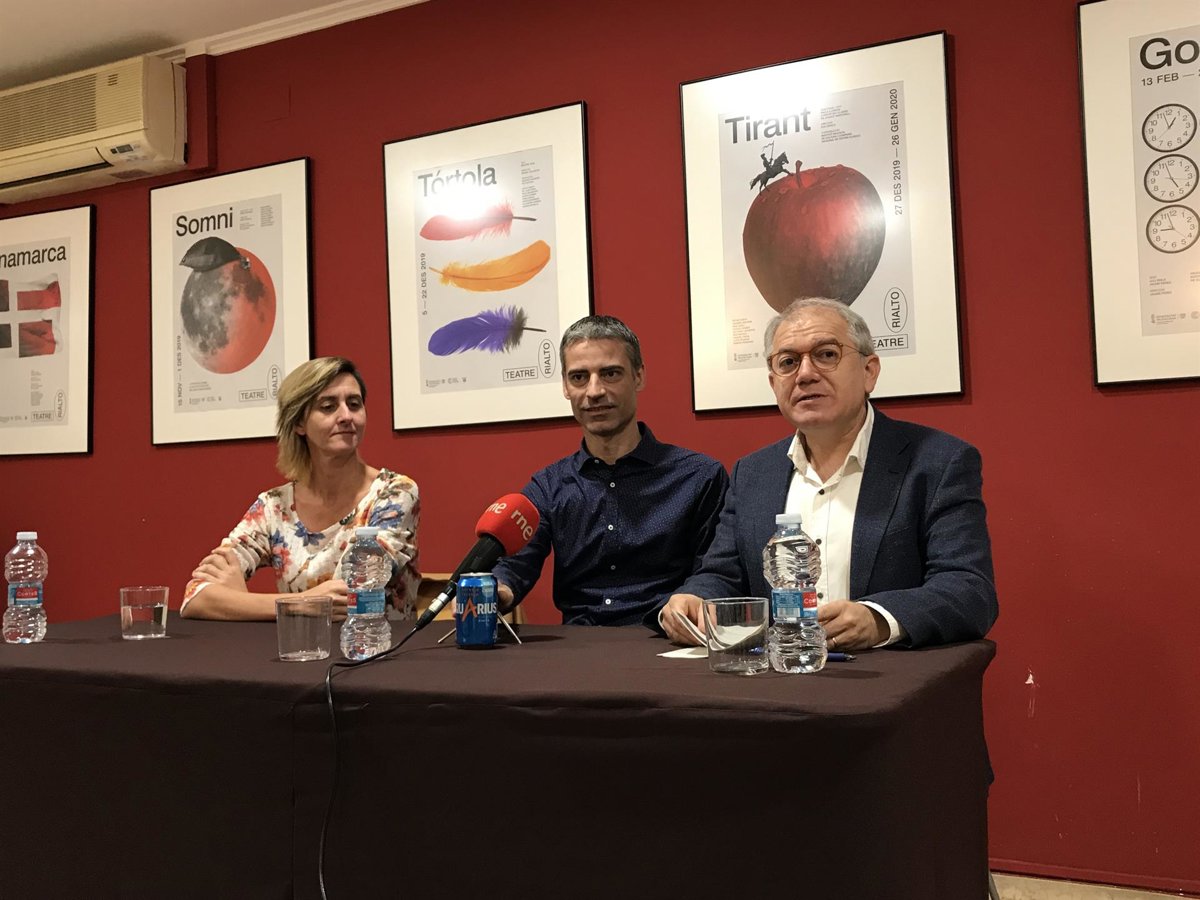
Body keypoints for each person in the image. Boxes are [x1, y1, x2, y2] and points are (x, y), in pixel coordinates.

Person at [661, 297, 997, 649]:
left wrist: (879, 619)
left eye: (826, 354)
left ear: (869, 371)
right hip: (778, 674)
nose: (805, 374)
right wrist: (695, 599)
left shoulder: (938, 462)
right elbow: (722, 575)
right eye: (788, 362)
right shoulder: (753, 473)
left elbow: (969, 590)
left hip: (888, 675)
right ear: (774, 383)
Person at [491, 315, 729, 627]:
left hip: (664, 640)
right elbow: (516, 564)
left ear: (639, 376)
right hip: (578, 645)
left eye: (610, 373)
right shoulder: (549, 486)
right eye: (579, 377)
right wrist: (496, 590)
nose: (594, 391)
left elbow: (715, 572)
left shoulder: (699, 477)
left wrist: (694, 598)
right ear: (565, 386)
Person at [181, 356, 420, 621]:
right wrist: (302, 604)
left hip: (377, 646)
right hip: (298, 646)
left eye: (354, 404)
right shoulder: (274, 507)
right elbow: (196, 598)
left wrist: (241, 600)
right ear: (298, 423)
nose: (346, 416)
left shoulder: (395, 493)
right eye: (328, 407)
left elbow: (350, 595)